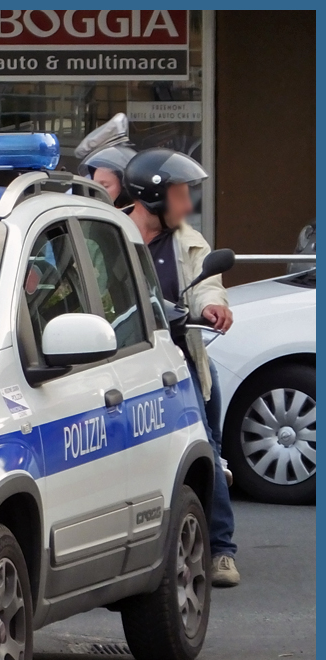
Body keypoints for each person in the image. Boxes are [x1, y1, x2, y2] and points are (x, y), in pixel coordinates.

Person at [123, 148, 240, 588]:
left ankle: (222, 551)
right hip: (125, 367)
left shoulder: (190, 242)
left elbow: (207, 284)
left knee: (205, 451)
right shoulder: (107, 234)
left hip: (180, 364)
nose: (188, 204)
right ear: (152, 195)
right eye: (180, 194)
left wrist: (212, 307)